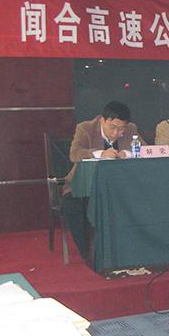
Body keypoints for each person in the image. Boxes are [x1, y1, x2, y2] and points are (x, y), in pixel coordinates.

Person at [61, 101, 142, 260]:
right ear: (102, 121)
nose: (116, 133)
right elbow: (74, 154)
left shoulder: (131, 129)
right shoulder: (86, 128)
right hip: (82, 186)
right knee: (72, 207)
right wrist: (99, 153)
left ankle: (130, 249)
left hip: (118, 187)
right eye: (112, 127)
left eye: (121, 129)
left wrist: (127, 153)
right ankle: (89, 253)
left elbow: (144, 150)